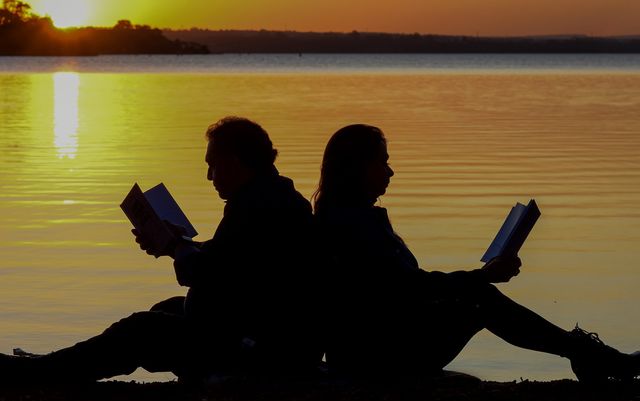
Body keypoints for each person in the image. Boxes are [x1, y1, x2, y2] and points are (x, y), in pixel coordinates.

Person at [1, 116, 323, 384]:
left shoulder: (260, 205)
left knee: (142, 327)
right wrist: (179, 244)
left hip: (261, 351)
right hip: (258, 334)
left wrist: (174, 246)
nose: (208, 177)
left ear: (235, 162)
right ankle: (55, 363)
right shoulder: (271, 198)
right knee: (168, 308)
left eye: (213, 166)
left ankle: (42, 372)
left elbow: (207, 273)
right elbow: (233, 262)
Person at [313, 124, 640, 383]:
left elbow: (402, 291)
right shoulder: (351, 223)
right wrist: (483, 276)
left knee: (479, 296)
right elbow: (408, 288)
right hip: (376, 357)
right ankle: (591, 355)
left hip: (368, 347)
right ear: (356, 167)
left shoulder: (348, 216)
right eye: (382, 161)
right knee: (481, 298)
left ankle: (585, 353)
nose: (391, 171)